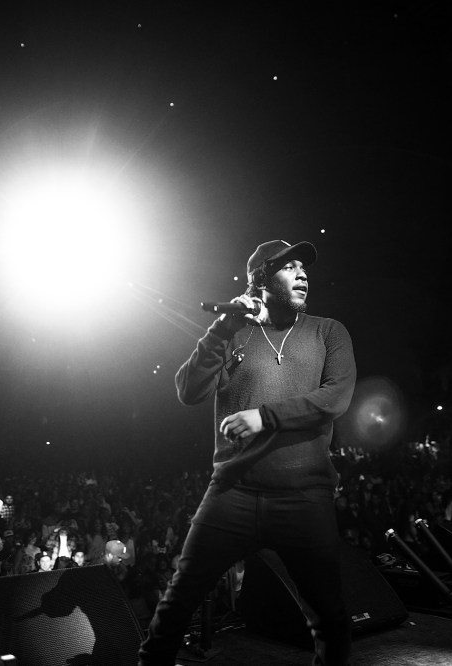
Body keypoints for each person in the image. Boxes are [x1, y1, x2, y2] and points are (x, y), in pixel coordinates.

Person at [138, 240, 357, 666]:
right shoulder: (233, 332)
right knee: (177, 604)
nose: (303, 274)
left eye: (303, 268)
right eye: (289, 267)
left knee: (329, 618)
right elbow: (188, 392)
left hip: (304, 495)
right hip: (233, 492)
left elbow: (336, 398)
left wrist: (266, 417)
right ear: (259, 279)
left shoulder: (329, 331)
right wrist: (221, 326)